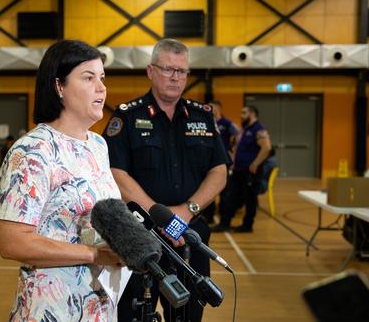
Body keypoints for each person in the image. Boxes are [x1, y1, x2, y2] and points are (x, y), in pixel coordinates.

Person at [0, 40, 123, 321]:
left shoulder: (98, 145)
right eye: (88, 78)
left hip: (100, 307)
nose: (101, 88)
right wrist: (94, 254)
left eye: (102, 78)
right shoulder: (33, 150)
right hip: (51, 308)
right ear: (59, 87)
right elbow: (12, 242)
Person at [103, 38, 229, 322]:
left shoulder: (203, 117)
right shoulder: (127, 117)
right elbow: (115, 172)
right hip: (140, 238)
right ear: (150, 71)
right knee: (133, 314)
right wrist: (160, 217)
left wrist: (185, 213)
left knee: (188, 315)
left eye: (182, 71)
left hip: (190, 236)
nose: (176, 77)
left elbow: (219, 171)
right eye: (168, 69)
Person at [211, 105, 271, 233]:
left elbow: (266, 148)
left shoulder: (258, 129)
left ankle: (247, 225)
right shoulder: (245, 129)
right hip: (239, 170)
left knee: (250, 199)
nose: (241, 115)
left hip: (250, 172)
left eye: (244, 113)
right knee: (230, 196)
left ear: (252, 114)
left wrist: (255, 164)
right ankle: (225, 223)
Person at [202, 100, 240, 224]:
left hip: (224, 162)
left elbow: (239, 136)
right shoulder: (205, 122)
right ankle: (209, 217)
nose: (208, 109)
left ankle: (225, 221)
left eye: (211, 107)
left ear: (217, 108)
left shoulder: (227, 123)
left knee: (225, 192)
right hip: (208, 161)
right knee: (207, 189)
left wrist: (232, 151)